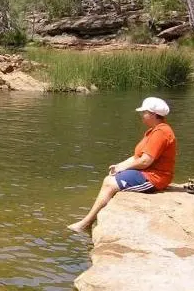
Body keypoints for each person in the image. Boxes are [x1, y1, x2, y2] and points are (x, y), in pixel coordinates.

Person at [68, 97, 177, 233]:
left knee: (109, 183)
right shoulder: (153, 131)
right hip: (146, 173)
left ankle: (86, 223)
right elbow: (137, 157)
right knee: (111, 179)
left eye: (144, 112)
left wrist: (123, 168)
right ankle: (92, 220)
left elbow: (145, 161)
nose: (141, 115)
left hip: (155, 178)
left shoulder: (161, 133)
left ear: (154, 115)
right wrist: (119, 165)